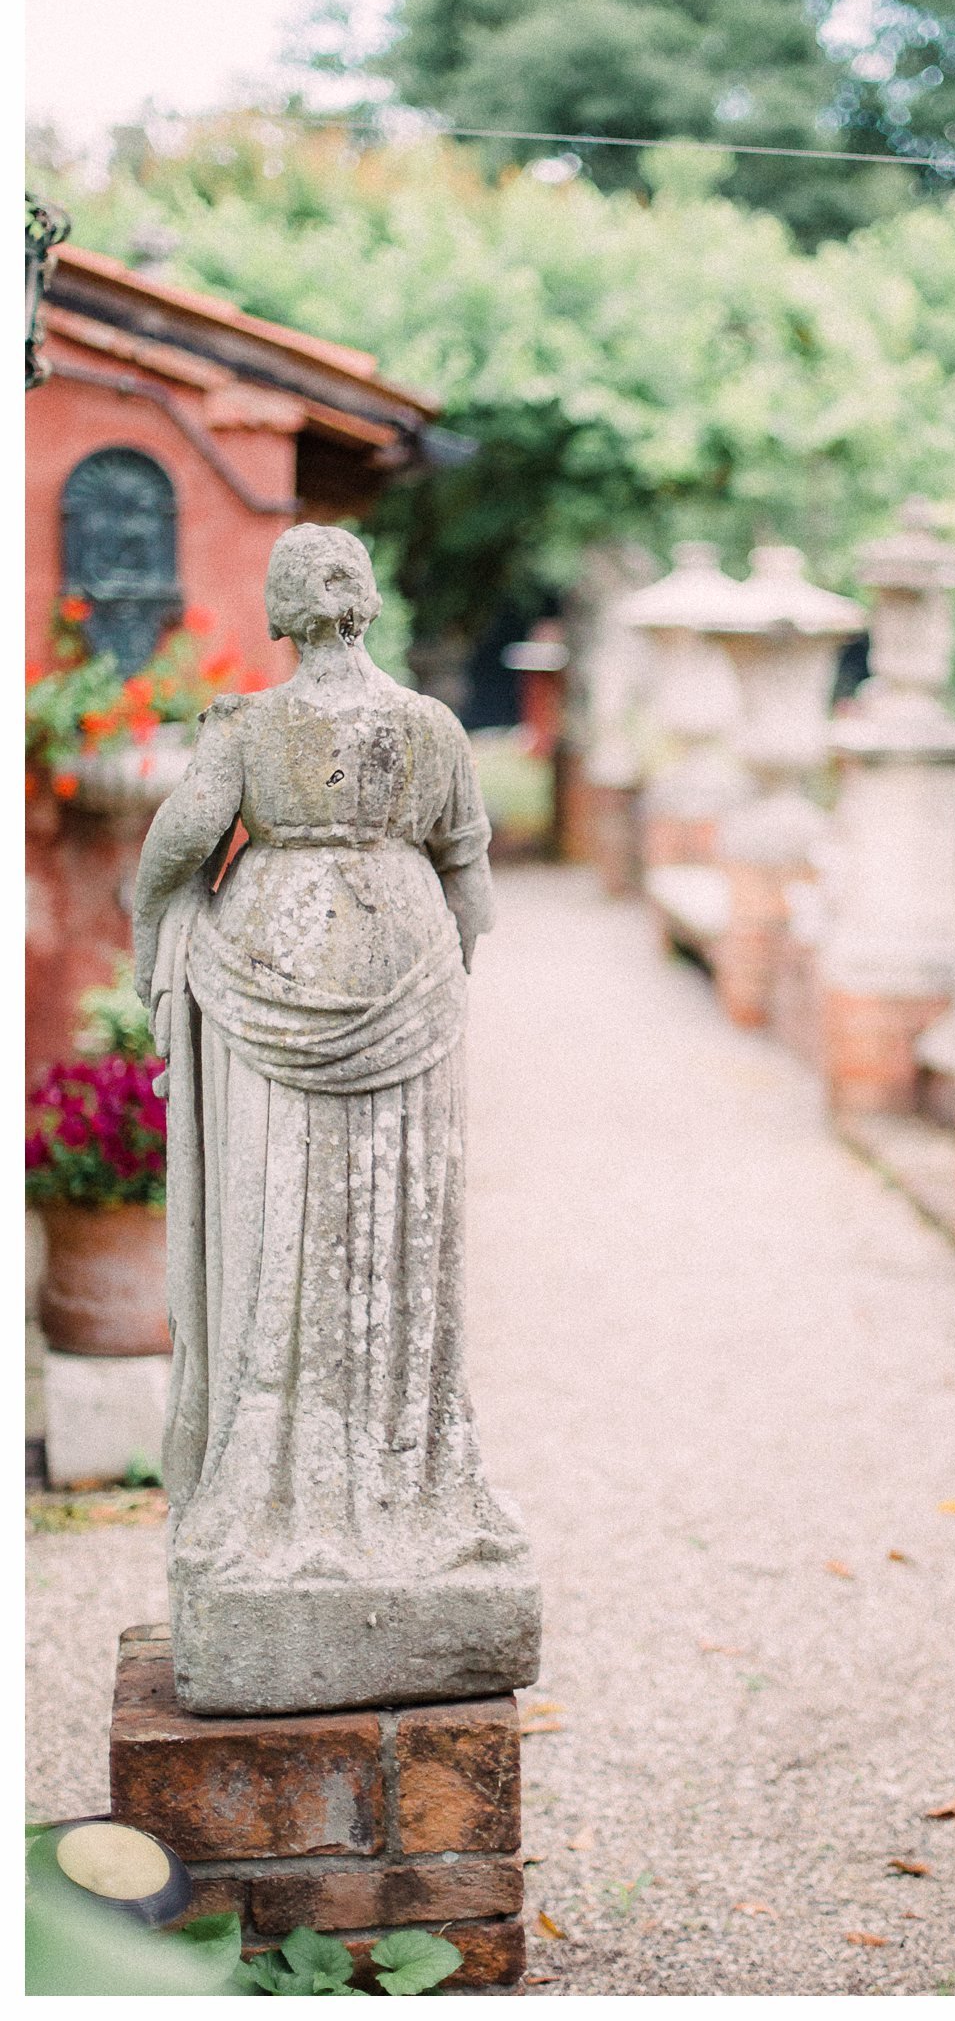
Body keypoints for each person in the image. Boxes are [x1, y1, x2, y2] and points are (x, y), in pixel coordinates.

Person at [133, 523, 538, 1714]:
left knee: (281, 1241)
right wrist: (439, 972)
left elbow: (176, 845)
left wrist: (157, 933)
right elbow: (473, 884)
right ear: (366, 604)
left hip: (269, 960)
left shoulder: (247, 731)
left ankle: (282, 1492)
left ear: (280, 609)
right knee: (397, 1250)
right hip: (411, 981)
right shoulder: (433, 729)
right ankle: (408, 1490)